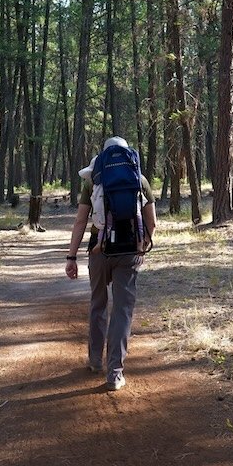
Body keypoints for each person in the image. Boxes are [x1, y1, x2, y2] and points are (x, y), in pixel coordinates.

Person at [65, 137, 156, 391]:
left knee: (98, 302)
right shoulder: (139, 179)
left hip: (99, 249)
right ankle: (115, 372)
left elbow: (80, 222)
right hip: (129, 251)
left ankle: (95, 360)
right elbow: (152, 223)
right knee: (122, 311)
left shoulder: (94, 178)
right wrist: (141, 247)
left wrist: (71, 257)